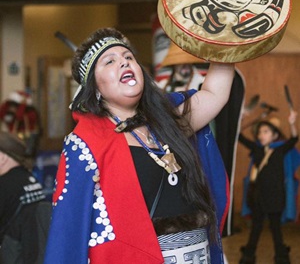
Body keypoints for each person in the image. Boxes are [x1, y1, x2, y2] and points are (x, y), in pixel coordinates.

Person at [44, 27, 235, 264]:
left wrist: (231, 34)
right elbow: (68, 230)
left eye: (129, 58)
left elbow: (216, 93)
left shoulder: (169, 120)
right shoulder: (85, 145)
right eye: (110, 61)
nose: (124, 63)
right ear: (95, 88)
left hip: (198, 255)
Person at [238, 110, 299, 264]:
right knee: (256, 228)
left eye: (265, 132)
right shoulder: (257, 149)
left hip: (275, 197)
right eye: (259, 132)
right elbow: (239, 137)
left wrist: (292, 123)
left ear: (274, 135)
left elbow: (294, 139)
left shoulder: (280, 150)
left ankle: (281, 257)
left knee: (275, 228)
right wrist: (241, 119)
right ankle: (249, 256)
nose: (261, 135)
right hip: (259, 197)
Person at [0, 131, 51, 264]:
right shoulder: (30, 179)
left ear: (2, 157)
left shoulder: (4, 185)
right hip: (36, 255)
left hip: (13, 255)